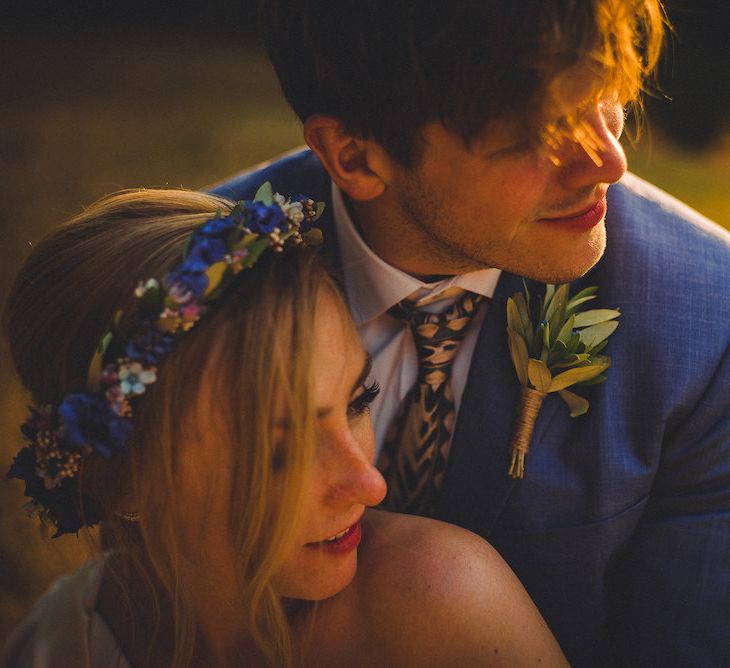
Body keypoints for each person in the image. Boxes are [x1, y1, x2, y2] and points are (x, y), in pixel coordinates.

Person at [208, 1, 730, 665]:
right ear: (354, 155)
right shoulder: (195, 284)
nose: (608, 162)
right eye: (534, 138)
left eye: (606, 99)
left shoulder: (711, 328)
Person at [1, 187, 567, 667]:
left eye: (357, 399)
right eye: (281, 452)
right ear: (125, 480)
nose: (370, 485)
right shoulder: (60, 644)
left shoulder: (442, 608)